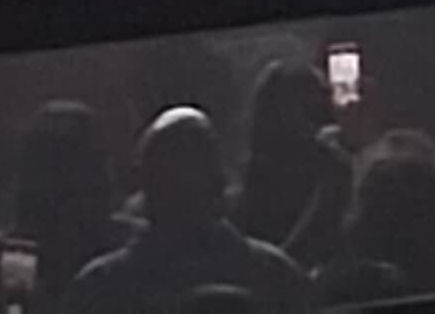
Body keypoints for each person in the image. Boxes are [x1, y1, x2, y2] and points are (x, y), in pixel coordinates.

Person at [65, 108, 315, 314]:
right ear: (222, 182)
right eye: (172, 175)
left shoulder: (100, 288)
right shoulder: (277, 277)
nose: (183, 184)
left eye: (191, 171)